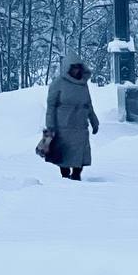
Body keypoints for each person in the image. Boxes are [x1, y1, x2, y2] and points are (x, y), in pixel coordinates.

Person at [44, 52, 100, 181]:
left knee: (80, 153)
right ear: (67, 68)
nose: (76, 70)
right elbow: (51, 106)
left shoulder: (83, 84)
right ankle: (65, 178)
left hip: (80, 126)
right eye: (73, 67)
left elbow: (88, 104)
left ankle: (76, 176)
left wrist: (94, 121)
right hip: (63, 126)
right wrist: (50, 126)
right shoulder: (58, 84)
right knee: (64, 154)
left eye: (78, 67)